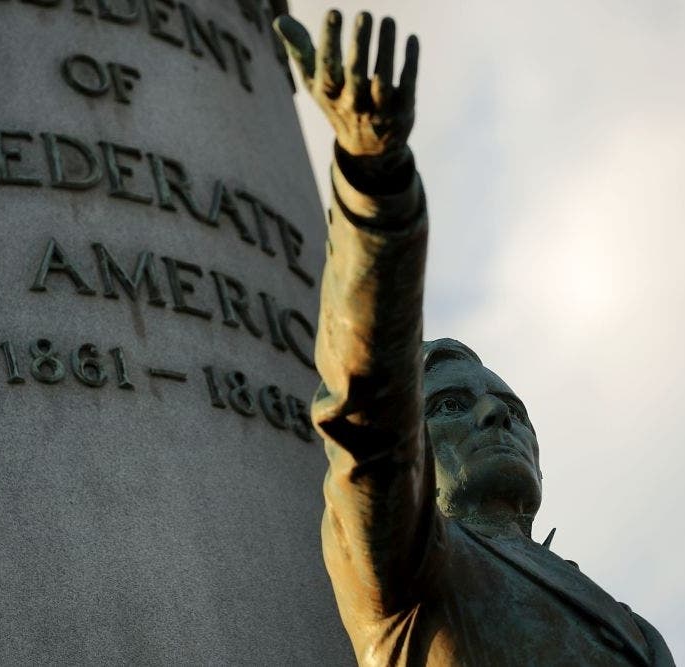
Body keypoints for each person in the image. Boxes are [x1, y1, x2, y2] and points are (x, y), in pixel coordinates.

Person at [274, 10, 674, 666]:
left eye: (511, 409)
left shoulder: (632, 630)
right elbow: (369, 411)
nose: (495, 413)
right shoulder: (412, 567)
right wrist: (374, 184)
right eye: (451, 405)